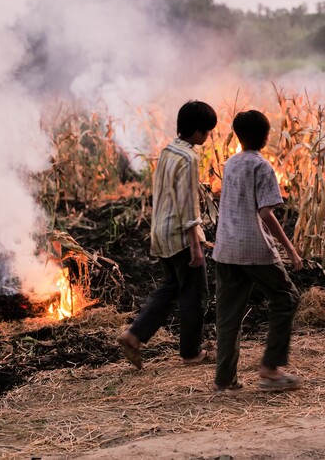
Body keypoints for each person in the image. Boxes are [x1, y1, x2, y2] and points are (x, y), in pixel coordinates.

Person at [117, 100, 217, 370]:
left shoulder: (167, 151)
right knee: (194, 294)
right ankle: (191, 352)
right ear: (197, 131)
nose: (208, 136)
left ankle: (134, 335)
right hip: (180, 235)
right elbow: (187, 205)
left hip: (160, 232)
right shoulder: (188, 158)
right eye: (207, 131)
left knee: (172, 287)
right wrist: (196, 245)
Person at [212, 109, 303, 392]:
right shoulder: (262, 167)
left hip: (225, 248)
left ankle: (224, 380)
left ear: (238, 136)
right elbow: (265, 212)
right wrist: (290, 248)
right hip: (253, 247)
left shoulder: (230, 164)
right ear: (265, 137)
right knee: (286, 297)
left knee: (228, 317)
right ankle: (270, 369)